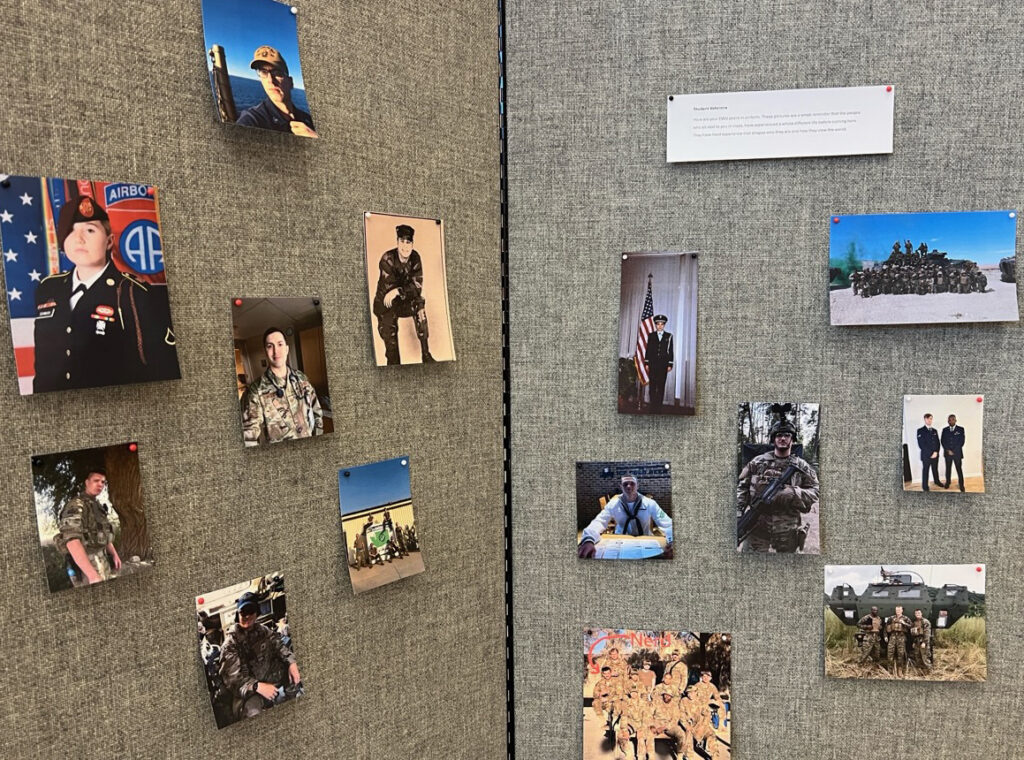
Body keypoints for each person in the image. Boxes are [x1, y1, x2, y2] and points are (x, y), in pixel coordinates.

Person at [32, 195, 179, 393]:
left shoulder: (134, 293)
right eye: (71, 231)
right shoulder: (48, 289)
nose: (79, 239)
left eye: (90, 230)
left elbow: (164, 369)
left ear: (109, 241)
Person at [736, 419, 819, 553]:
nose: (782, 438)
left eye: (787, 435)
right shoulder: (758, 462)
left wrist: (793, 493)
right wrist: (738, 513)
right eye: (779, 435)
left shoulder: (802, 466)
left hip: (787, 531)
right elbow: (742, 488)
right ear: (773, 439)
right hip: (757, 527)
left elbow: (816, 491)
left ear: (792, 440)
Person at [219, 592, 301, 720]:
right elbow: (233, 681)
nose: (246, 616)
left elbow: (279, 646)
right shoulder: (230, 643)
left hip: (267, 677)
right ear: (237, 615)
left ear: (257, 613)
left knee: (294, 674)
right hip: (248, 692)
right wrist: (257, 686)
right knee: (252, 713)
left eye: (250, 611)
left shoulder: (263, 631)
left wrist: (291, 662)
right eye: (242, 612)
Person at [241, 327, 323, 446]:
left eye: (280, 344)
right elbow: (249, 437)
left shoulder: (301, 378)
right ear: (265, 351)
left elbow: (317, 411)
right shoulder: (255, 391)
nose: (276, 351)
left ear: (287, 349)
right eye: (270, 346)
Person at [372, 224, 434, 364]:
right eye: (402, 242)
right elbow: (389, 293)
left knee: (419, 307)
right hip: (386, 305)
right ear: (397, 242)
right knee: (391, 341)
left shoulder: (415, 257)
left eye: (408, 242)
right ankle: (394, 366)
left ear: (412, 244)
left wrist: (399, 290)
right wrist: (401, 290)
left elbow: (417, 287)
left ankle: (426, 354)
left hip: (402, 300)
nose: (405, 247)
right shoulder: (387, 259)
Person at [53, 469, 122, 586]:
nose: (100, 484)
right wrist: (92, 575)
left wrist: (114, 554)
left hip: (102, 559)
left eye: (103, 482)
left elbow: (103, 533)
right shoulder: (76, 505)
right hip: (86, 564)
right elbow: (72, 541)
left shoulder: (96, 505)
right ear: (87, 482)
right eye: (96, 480)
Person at [578, 474, 673, 558]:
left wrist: (673, 540)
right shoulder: (613, 503)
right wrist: (588, 540)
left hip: (645, 541)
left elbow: (667, 523)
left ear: (637, 486)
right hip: (620, 540)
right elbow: (599, 521)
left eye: (632, 483)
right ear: (621, 486)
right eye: (625, 484)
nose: (628, 486)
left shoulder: (650, 503)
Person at [235, 46, 317, 138]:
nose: (270, 80)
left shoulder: (308, 120)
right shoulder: (253, 120)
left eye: (277, 73)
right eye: (264, 72)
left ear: (290, 82)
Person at [643, 314, 673, 412]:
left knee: (661, 386)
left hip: (663, 365)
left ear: (664, 325)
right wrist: (647, 362)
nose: (660, 326)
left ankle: (658, 406)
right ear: (655, 325)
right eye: (658, 324)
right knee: (652, 386)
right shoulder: (651, 336)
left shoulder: (669, 336)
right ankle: (652, 405)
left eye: (662, 324)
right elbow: (648, 350)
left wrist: (670, 364)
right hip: (653, 364)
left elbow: (670, 351)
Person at [885, 605, 912, 677]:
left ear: (902, 610)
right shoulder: (891, 618)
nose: (898, 611)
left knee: (901, 654)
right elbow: (886, 627)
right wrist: (885, 636)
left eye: (899, 610)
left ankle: (900, 670)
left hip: (901, 637)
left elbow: (911, 626)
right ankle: (890, 670)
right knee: (890, 653)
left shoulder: (906, 618)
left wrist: (904, 623)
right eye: (897, 610)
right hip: (892, 636)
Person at [941, 414, 966, 491]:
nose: (951, 421)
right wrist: (948, 450)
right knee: (948, 469)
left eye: (953, 419)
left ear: (955, 420)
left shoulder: (961, 429)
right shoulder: (944, 430)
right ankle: (948, 482)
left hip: (957, 454)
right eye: (949, 420)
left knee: (959, 469)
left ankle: (961, 485)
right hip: (948, 454)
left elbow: (961, 442)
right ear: (948, 421)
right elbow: (942, 441)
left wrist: (954, 451)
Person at [916, 413, 941, 491]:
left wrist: (936, 452)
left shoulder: (934, 430)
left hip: (935, 454)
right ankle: (925, 486)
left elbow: (937, 442)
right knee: (925, 470)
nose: (929, 420)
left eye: (931, 419)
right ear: (925, 419)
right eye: (928, 419)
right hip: (926, 455)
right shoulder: (920, 431)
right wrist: (931, 453)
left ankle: (937, 481)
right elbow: (922, 445)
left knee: (935, 469)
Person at [910, 609, 932, 673]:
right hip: (917, 641)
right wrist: (914, 642)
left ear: (921, 613)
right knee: (917, 656)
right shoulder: (914, 622)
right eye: (916, 613)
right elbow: (914, 634)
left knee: (925, 657)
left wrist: (925, 642)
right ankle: (921, 672)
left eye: (919, 613)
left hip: (923, 641)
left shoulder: (925, 622)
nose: (917, 615)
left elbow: (927, 633)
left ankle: (928, 671)